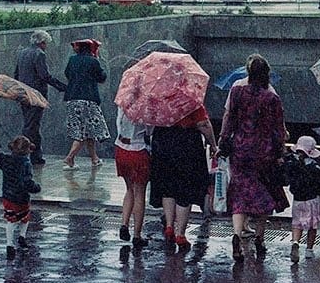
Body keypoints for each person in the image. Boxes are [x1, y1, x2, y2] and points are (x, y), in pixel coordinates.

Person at [219, 54, 287, 263]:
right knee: (263, 194)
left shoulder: (237, 91)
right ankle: (259, 237)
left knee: (239, 193)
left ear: (248, 73)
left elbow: (229, 118)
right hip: (262, 153)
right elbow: (277, 130)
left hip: (239, 151)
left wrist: (223, 141)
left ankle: (237, 235)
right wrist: (279, 152)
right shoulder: (271, 98)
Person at [150, 103, 217, 252]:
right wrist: (213, 144)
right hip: (186, 143)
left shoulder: (161, 97)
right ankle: (180, 233)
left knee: (168, 186)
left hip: (162, 141)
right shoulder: (190, 98)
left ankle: (169, 225)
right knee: (184, 189)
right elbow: (203, 124)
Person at [14, 30, 66, 165]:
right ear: (42, 42)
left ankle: (35, 155)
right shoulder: (39, 54)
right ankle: (26, 154)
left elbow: (16, 74)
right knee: (32, 126)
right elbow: (44, 76)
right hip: (36, 95)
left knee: (30, 123)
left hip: (23, 93)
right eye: (46, 43)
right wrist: (62, 87)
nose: (46, 46)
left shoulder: (22, 53)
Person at [0, 135, 41, 260]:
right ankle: (22, 237)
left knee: (11, 220)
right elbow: (27, 182)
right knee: (25, 216)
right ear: (27, 150)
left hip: (7, 196)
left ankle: (9, 244)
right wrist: (36, 187)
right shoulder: (26, 163)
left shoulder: (6, 159)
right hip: (21, 198)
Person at [62, 39, 109, 170]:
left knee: (89, 131)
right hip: (88, 99)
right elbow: (102, 77)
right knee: (83, 132)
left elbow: (67, 74)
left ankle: (95, 159)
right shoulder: (93, 61)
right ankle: (69, 157)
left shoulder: (72, 60)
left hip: (72, 99)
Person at [114, 106, 153, 248]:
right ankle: (137, 235)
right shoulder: (147, 106)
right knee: (140, 193)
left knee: (129, 189)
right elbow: (149, 130)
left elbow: (118, 123)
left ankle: (124, 224)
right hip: (138, 150)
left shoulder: (123, 103)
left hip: (121, 148)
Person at [285, 136, 320, 262]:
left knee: (297, 224)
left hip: (298, 200)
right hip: (313, 200)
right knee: (312, 226)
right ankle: (309, 249)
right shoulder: (315, 167)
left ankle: (295, 242)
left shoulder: (292, 164)